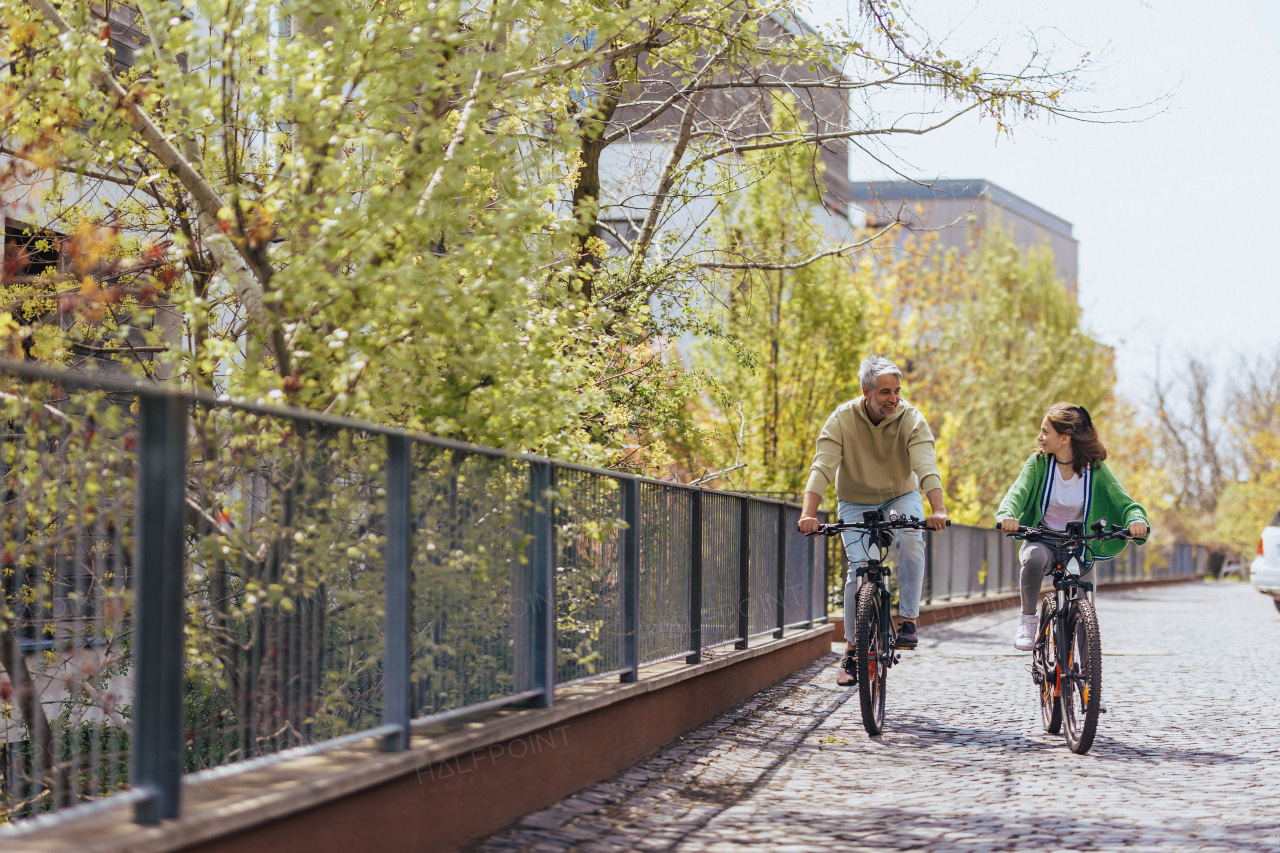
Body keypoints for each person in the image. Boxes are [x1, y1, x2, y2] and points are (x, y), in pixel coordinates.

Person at [798, 355, 949, 687]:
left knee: (911, 538)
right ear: (865, 391)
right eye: (884, 392)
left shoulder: (911, 418)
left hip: (900, 495)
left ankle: (908, 620)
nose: (893, 398)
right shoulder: (842, 418)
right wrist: (808, 514)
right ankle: (852, 652)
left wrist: (937, 509)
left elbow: (925, 465)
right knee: (859, 568)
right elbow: (822, 467)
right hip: (854, 499)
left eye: (896, 391)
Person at [996, 403, 1150, 651]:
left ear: (1065, 437)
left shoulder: (1095, 470)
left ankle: (1087, 679)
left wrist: (1135, 520)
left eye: (1046, 432)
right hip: (1042, 540)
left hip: (1079, 548)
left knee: (1085, 623)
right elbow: (1017, 493)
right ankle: (1028, 620)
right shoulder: (1038, 464)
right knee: (1033, 559)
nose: (1040, 437)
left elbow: (1125, 503)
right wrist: (1007, 515)